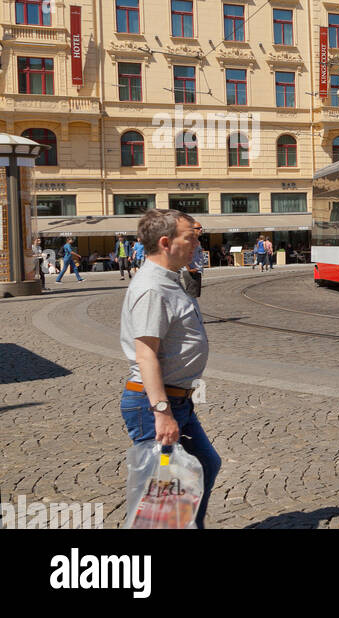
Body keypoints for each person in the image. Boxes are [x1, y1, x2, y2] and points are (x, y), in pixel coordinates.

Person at [119, 209, 221, 528]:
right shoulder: (152, 288)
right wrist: (162, 412)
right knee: (166, 495)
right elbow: (146, 354)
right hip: (156, 404)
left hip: (178, 401)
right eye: (190, 238)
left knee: (204, 464)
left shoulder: (170, 279)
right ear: (165, 242)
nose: (197, 244)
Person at [182, 230, 205, 298]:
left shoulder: (197, 241)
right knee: (191, 295)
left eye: (201, 228)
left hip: (197, 270)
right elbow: (184, 255)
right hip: (191, 271)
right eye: (198, 228)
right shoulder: (190, 241)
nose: (201, 230)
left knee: (195, 295)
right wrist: (189, 269)